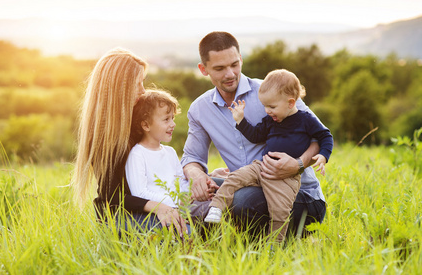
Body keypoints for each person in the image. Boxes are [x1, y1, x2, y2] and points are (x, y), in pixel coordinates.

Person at [181, 31, 327, 237]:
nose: (230, 74)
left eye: (234, 64)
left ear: (241, 59)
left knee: (242, 201)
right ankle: (220, 243)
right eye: (220, 68)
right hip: (248, 184)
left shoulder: (275, 90)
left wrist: (298, 164)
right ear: (203, 69)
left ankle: (273, 244)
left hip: (300, 195)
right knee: (187, 194)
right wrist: (197, 176)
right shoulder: (200, 109)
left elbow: (320, 136)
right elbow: (192, 158)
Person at [203, 69, 333, 242]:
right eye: (265, 106)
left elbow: (325, 136)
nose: (267, 111)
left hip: (286, 178)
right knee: (235, 178)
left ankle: (275, 244)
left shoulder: (306, 120)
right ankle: (216, 208)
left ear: (290, 102)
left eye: (272, 107)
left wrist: (323, 156)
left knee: (280, 210)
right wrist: (240, 120)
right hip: (261, 166)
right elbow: (256, 135)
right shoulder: (270, 120)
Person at [72, 47, 188, 237]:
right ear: (119, 87)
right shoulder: (104, 135)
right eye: (137, 84)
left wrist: (193, 173)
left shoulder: (136, 117)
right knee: (178, 229)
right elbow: (111, 197)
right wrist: (158, 207)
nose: (143, 91)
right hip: (119, 215)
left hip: (149, 204)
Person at [125, 88, 210, 219]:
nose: (173, 124)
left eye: (172, 118)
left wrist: (192, 192)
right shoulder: (137, 154)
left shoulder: (170, 152)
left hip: (181, 207)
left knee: (215, 206)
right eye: (166, 119)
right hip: (157, 213)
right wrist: (176, 201)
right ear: (146, 125)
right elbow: (140, 193)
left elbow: (180, 183)